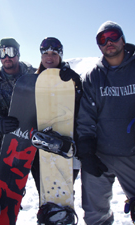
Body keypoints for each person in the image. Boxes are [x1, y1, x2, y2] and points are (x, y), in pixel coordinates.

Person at [76, 21, 135, 224]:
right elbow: (86, 116)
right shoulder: (94, 76)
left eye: (112, 35)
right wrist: (86, 152)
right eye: (102, 39)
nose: (108, 42)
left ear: (122, 39)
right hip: (99, 154)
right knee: (94, 215)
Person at [32, 37, 82, 196]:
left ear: (60, 55)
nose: (49, 57)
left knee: (63, 193)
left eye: (54, 53)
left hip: (67, 144)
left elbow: (83, 109)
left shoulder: (72, 79)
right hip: (39, 149)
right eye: (45, 53)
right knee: (45, 193)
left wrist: (76, 84)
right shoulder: (34, 80)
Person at [0, 37, 36, 137]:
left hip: (37, 131)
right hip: (13, 138)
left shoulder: (34, 74)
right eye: (2, 53)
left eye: (10, 52)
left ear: (18, 54)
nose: (6, 57)